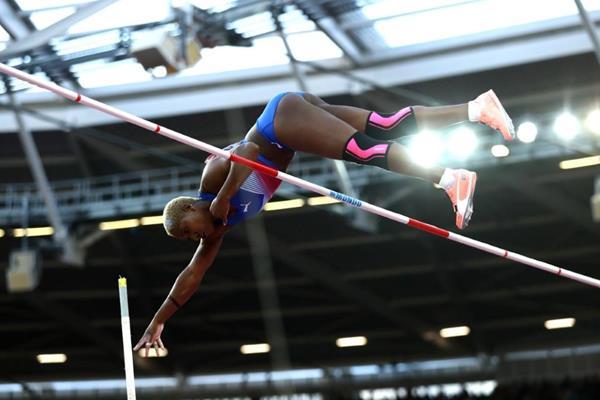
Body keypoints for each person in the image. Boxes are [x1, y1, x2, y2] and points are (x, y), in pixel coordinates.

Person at [133, 89, 514, 355]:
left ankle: (448, 177)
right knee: (382, 126)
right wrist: (158, 322)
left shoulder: (210, 184)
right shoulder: (217, 230)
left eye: (187, 231)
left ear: (188, 211)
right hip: (290, 126)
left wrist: (223, 197)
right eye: (188, 239)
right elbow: (192, 274)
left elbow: (246, 150)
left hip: (278, 124)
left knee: (362, 150)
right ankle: (477, 109)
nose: (193, 238)